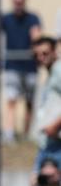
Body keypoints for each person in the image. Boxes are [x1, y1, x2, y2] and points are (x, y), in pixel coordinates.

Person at [0, 0, 41, 142]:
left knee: (29, 102)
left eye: (21, 2)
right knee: (11, 100)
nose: (18, 5)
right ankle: (9, 133)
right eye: (16, 2)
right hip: (12, 66)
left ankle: (26, 133)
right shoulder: (6, 19)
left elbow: (36, 35)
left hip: (30, 67)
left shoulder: (32, 18)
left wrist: (36, 46)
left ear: (24, 2)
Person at [32, 36, 61, 172]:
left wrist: (54, 126)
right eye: (36, 54)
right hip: (48, 144)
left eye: (45, 53)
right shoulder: (50, 74)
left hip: (57, 144)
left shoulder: (59, 71)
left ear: (54, 52)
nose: (40, 57)